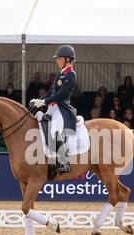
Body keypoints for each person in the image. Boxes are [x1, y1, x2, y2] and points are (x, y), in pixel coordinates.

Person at [31, 45, 78, 174]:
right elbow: (51, 92)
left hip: (62, 110)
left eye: (59, 58)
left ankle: (65, 162)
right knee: (38, 122)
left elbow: (61, 95)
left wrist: (44, 102)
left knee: (54, 131)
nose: (56, 61)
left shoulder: (71, 75)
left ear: (67, 59)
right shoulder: (60, 74)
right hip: (52, 108)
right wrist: (38, 100)